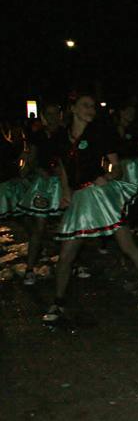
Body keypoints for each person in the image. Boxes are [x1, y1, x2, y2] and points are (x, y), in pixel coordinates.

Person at [44, 93, 138, 326]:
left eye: (93, 106)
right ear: (72, 108)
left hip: (101, 196)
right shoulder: (61, 138)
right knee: (65, 256)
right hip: (79, 198)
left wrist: (106, 175)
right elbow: (64, 169)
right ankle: (58, 300)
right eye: (85, 106)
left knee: (126, 244)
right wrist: (66, 193)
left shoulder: (100, 133)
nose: (90, 110)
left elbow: (117, 167)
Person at [18, 102, 66, 285]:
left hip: (62, 183)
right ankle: (29, 269)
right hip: (44, 183)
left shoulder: (66, 134)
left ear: (60, 114)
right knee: (39, 227)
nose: (53, 117)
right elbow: (31, 160)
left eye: (55, 113)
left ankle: (72, 263)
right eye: (49, 113)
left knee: (67, 225)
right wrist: (39, 171)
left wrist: (63, 170)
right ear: (43, 115)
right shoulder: (37, 135)